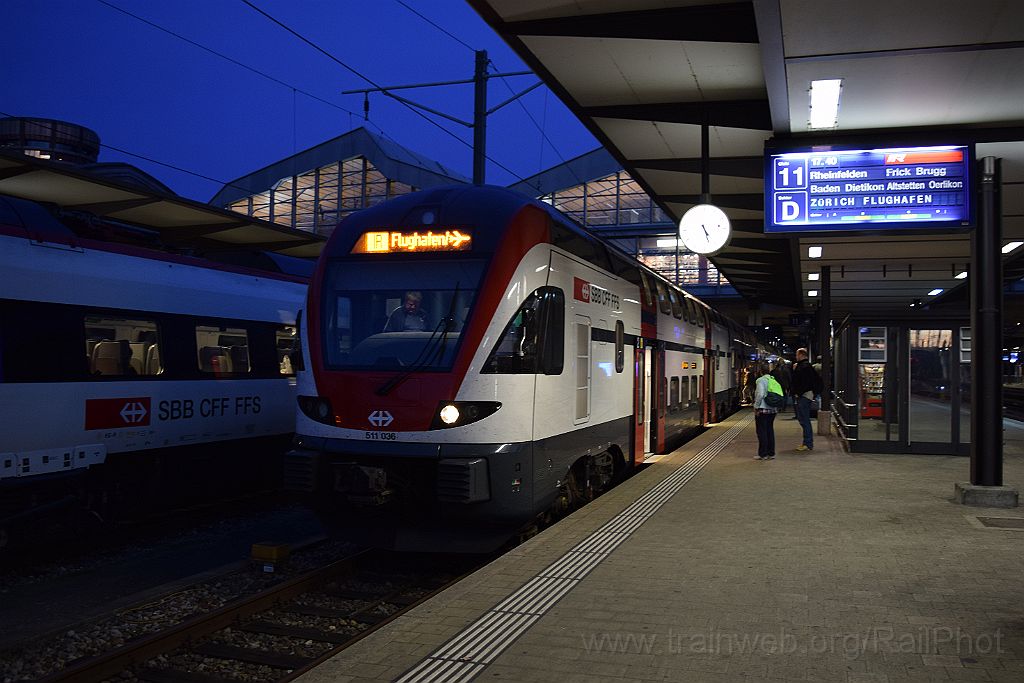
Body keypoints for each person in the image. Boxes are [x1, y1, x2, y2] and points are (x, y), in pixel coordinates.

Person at [791, 347, 818, 451]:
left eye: (797, 355)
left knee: (804, 419)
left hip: (804, 396)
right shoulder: (806, 366)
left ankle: (808, 443)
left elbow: (802, 382)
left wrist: (798, 393)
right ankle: (807, 442)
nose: (796, 357)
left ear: (801, 355)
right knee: (803, 419)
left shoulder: (803, 366)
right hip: (806, 395)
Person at [752, 361, 779, 460]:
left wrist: (756, 406)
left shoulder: (760, 380)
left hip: (763, 409)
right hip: (773, 409)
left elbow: (760, 394)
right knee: (769, 430)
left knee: (761, 431)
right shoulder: (772, 379)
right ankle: (771, 453)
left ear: (760, 371)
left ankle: (762, 454)